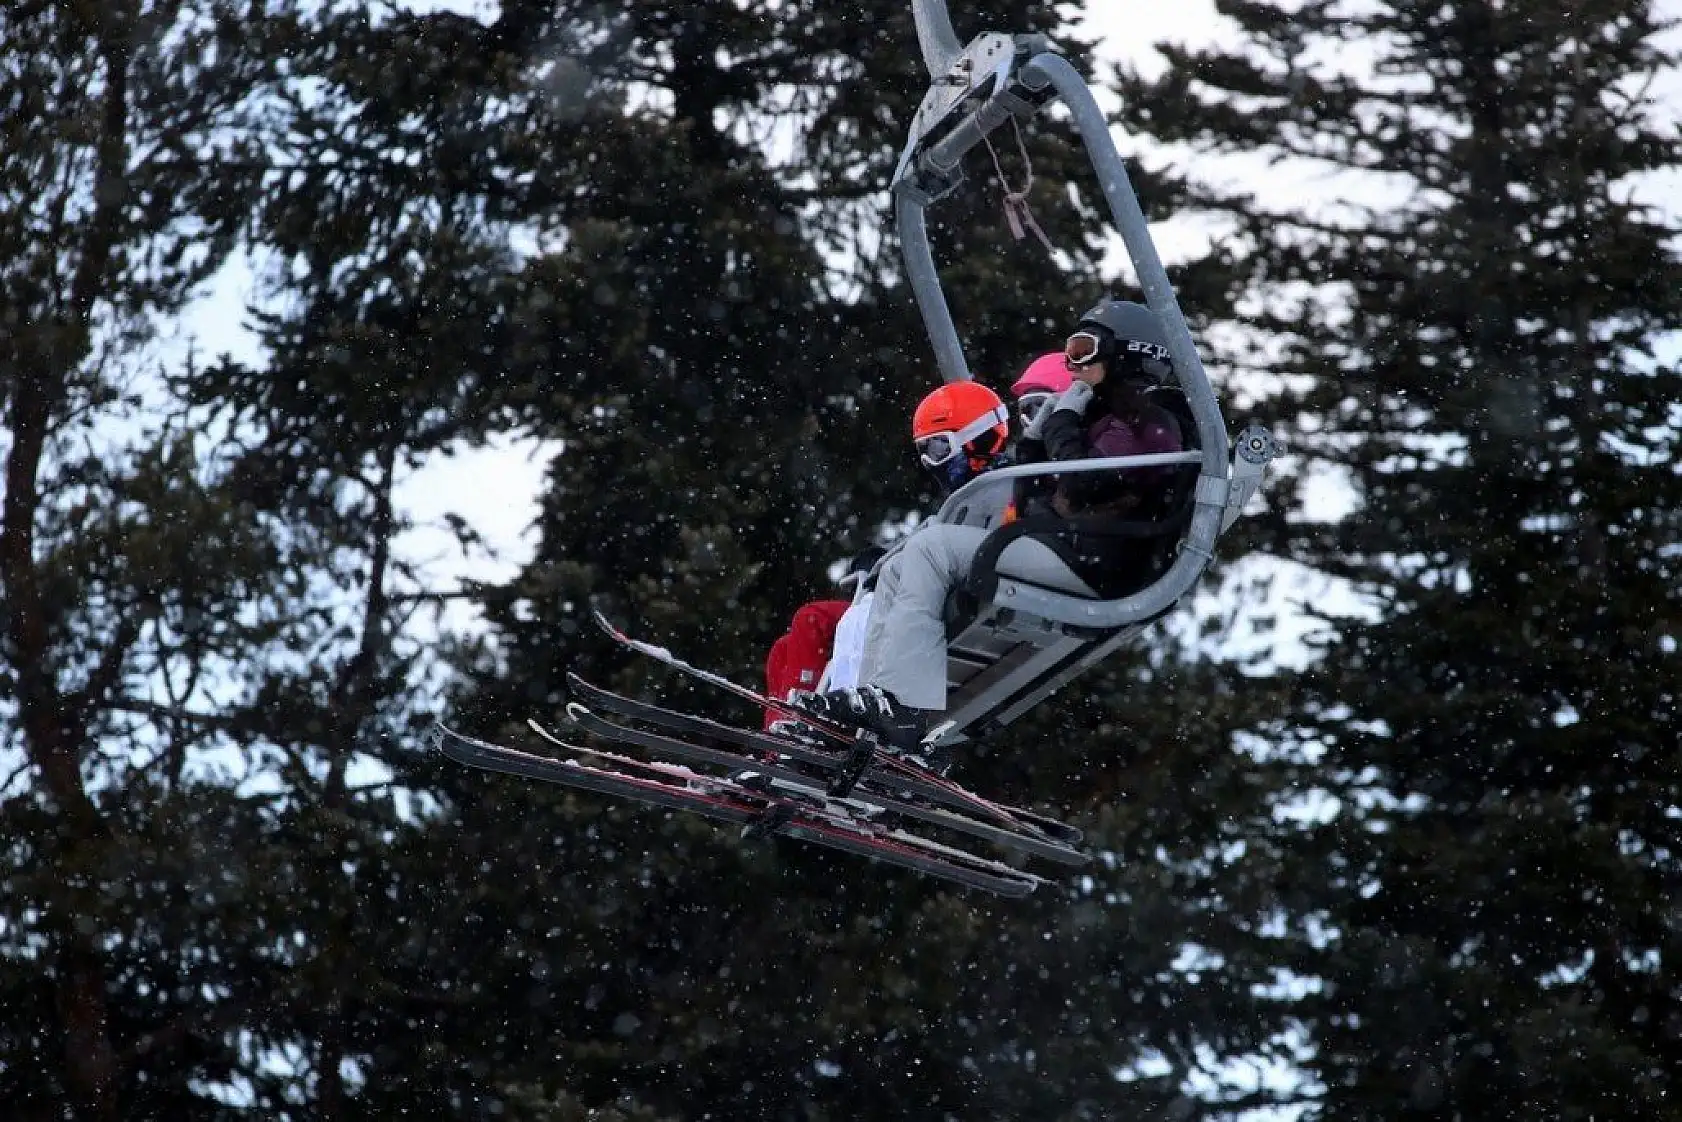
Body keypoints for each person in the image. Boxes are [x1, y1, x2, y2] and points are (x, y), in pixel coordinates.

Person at [798, 299, 1188, 758]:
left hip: (1096, 557)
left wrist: (1063, 424)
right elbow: (1037, 484)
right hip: (1074, 549)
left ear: (1128, 353)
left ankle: (902, 708)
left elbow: (1088, 483)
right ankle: (873, 700)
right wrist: (1043, 434)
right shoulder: (1111, 419)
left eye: (1083, 350)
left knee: (933, 548)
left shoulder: (1148, 420)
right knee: (904, 562)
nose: (1072, 365)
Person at [762, 380, 1011, 729]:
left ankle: (807, 728)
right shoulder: (962, 499)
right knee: (784, 650)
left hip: (919, 607)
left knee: (813, 618)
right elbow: (928, 542)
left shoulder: (1003, 487)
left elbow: (977, 551)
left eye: (939, 448)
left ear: (980, 437)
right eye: (923, 451)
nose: (930, 462)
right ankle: (779, 740)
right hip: (899, 599)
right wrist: (881, 562)